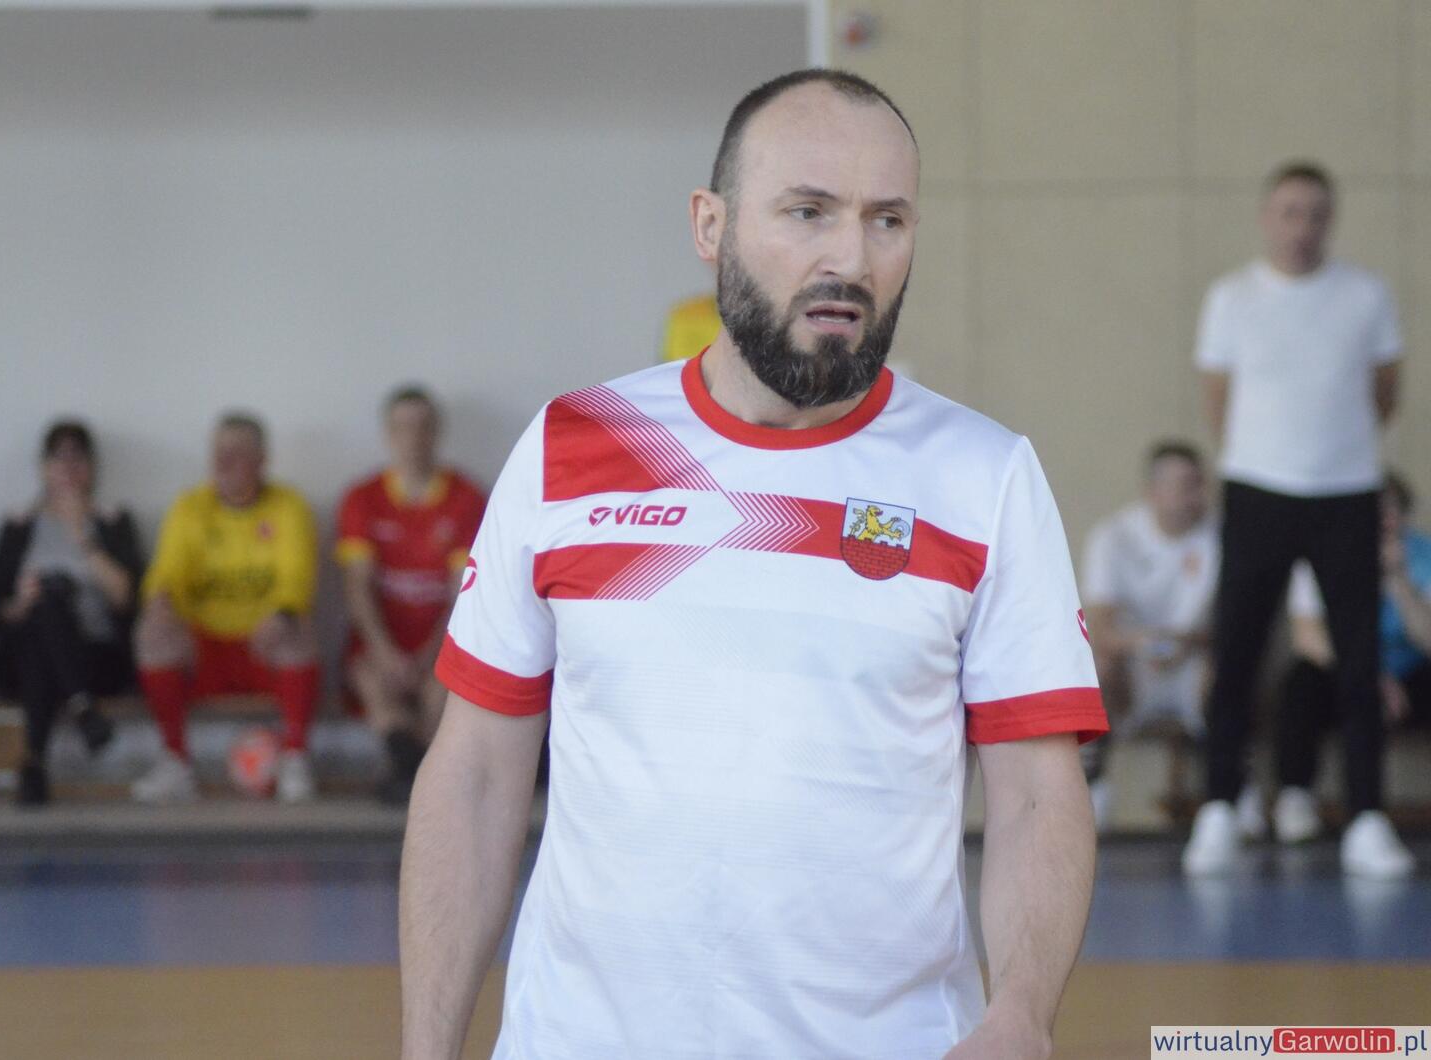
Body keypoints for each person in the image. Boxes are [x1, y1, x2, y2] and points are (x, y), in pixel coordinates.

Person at [400, 70, 1107, 1060]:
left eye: (887, 220)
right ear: (711, 225)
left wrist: (1022, 1011)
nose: (849, 258)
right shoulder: (573, 448)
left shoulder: (983, 476)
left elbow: (1035, 791)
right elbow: (475, 774)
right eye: (808, 212)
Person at [1184, 161, 1413, 879]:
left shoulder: (1365, 295)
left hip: (1346, 493)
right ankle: (1219, 807)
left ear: (1330, 221)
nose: (1301, 227)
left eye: (1315, 213)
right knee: (1239, 650)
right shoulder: (1231, 298)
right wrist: (1267, 455)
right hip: (1258, 491)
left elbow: (1384, 393)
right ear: (1266, 218)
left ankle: (1367, 818)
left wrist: (1334, 453)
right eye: (1288, 212)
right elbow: (1218, 400)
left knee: (1358, 658)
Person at [130, 412, 319, 804]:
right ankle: (175, 762)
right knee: (153, 634)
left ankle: (295, 758)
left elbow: (296, 577)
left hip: (263, 648)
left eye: (237, 453)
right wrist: (159, 603)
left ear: (262, 461)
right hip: (205, 652)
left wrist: (282, 613)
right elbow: (167, 572)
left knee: (299, 630)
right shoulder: (190, 507)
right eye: (218, 452)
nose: (223, 462)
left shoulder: (288, 506)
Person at [336, 386, 485, 804]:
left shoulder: (466, 497)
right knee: (368, 675)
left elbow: (463, 592)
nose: (413, 437)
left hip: (442, 638)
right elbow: (357, 586)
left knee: (444, 685)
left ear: (438, 431)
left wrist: (430, 652)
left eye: (423, 426)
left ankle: (411, 770)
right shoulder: (362, 498)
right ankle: (410, 763)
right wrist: (385, 651)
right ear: (387, 434)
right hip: (383, 641)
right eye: (402, 427)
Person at [0, 421, 145, 806]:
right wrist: (22, 602)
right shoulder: (19, 525)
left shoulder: (112, 521)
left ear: (92, 467)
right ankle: (83, 709)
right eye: (59, 459)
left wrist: (83, 539)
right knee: (44, 608)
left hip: (97, 655)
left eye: (78, 458)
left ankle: (35, 762)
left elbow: (126, 599)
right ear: (44, 467)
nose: (69, 468)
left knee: (47, 628)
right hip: (24, 654)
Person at [1274, 471, 1431, 846]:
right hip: (1347, 672)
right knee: (1301, 682)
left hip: (1410, 675)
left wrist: (1397, 578)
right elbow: (1307, 637)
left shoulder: (1423, 555)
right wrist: (1370, 676)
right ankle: (1295, 796)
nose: (1383, 520)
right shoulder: (1318, 557)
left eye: (1390, 510)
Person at [1080, 441, 1217, 830]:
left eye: (1198, 484)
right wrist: (1142, 643)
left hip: (1193, 665)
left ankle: (1228, 794)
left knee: (1235, 667)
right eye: (1184, 485)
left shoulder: (1220, 537)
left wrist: (1186, 643)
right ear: (1153, 491)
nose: (1195, 496)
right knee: (1097, 666)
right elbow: (1100, 627)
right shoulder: (1113, 536)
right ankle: (1093, 786)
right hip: (1134, 670)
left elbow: (1236, 625)